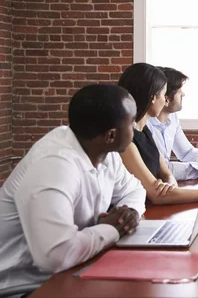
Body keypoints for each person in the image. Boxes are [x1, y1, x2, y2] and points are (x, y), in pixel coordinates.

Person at [0, 84, 146, 291]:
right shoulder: (55, 164)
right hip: (23, 288)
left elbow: (135, 190)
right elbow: (56, 256)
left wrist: (128, 213)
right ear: (111, 136)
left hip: (71, 271)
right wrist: (113, 228)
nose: (136, 128)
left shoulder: (105, 152)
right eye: (132, 123)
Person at [118, 63, 198, 204]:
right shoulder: (127, 140)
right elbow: (157, 195)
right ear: (153, 98)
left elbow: (166, 173)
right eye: (163, 95)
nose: (165, 100)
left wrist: (170, 186)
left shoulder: (144, 130)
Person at [147, 66, 198, 181]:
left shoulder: (172, 117)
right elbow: (160, 170)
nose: (183, 94)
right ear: (166, 98)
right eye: (179, 91)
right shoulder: (144, 126)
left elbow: (186, 152)